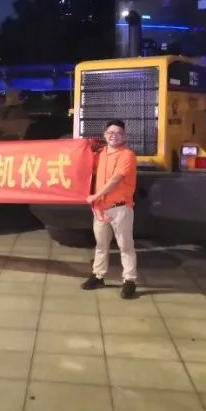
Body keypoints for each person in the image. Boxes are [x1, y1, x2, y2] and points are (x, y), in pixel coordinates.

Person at [81, 119, 138, 299]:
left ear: (124, 136)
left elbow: (115, 180)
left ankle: (129, 281)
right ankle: (98, 276)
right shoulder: (100, 154)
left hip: (120, 209)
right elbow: (85, 170)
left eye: (119, 133)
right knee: (101, 245)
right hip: (100, 209)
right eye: (111, 132)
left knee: (125, 246)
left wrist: (96, 196)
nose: (114, 136)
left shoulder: (127, 155)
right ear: (105, 135)